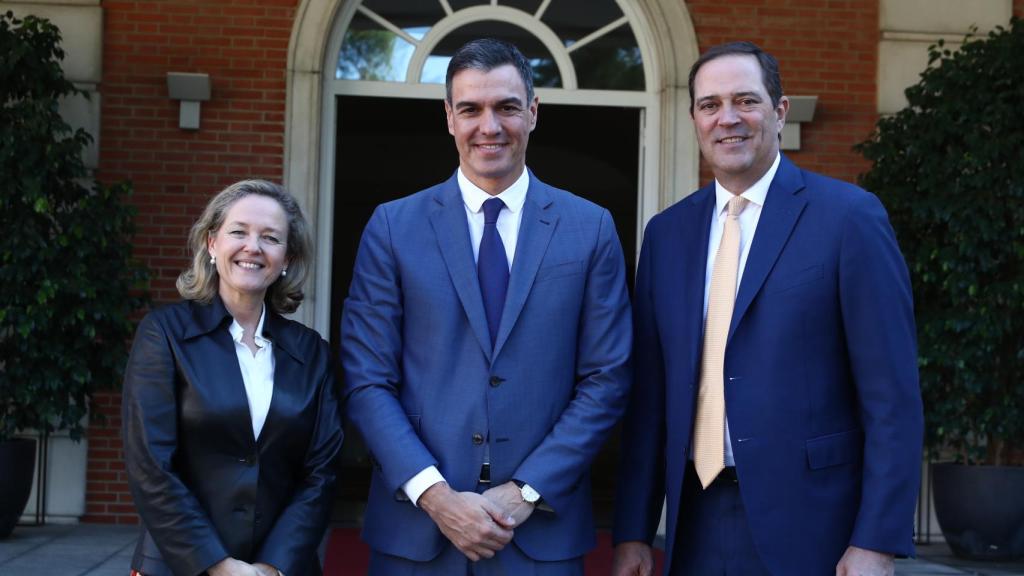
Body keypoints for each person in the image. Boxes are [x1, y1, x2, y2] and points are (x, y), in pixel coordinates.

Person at [611, 41, 924, 576]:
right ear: (694, 120)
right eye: (710, 105)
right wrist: (633, 532)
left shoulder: (849, 218)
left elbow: (891, 397)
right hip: (694, 520)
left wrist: (876, 539)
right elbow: (650, 400)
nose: (727, 118)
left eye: (745, 101)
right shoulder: (666, 235)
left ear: (779, 112)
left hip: (814, 525)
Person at [341, 38, 632, 575]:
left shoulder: (590, 228)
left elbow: (607, 378)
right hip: (416, 532)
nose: (489, 126)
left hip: (539, 534)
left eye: (507, 107)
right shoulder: (393, 227)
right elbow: (366, 377)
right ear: (449, 117)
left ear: (533, 112)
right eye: (471, 109)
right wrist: (436, 496)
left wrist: (526, 490)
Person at [123, 180, 343, 576]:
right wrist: (219, 566)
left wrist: (272, 566)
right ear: (212, 243)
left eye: (270, 237)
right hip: (179, 566)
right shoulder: (164, 334)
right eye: (239, 232)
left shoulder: (312, 352)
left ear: (287, 257)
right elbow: (151, 466)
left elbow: (321, 473)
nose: (253, 247)